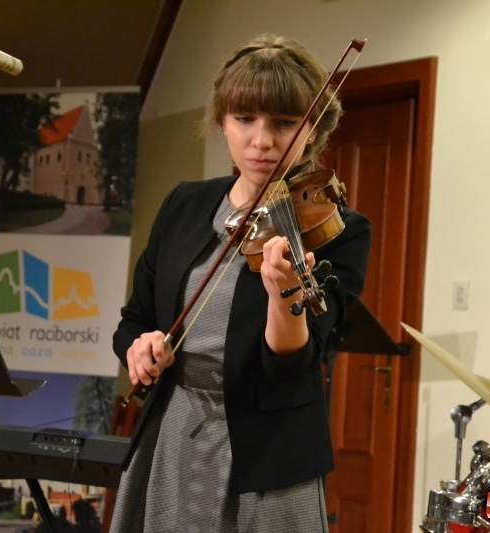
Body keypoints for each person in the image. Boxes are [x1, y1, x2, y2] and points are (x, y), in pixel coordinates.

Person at [109, 33, 371, 533]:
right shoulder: (184, 204)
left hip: (268, 452)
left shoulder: (341, 228)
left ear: (312, 129)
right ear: (222, 122)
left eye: (284, 123)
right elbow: (134, 321)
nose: (262, 140)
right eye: (245, 119)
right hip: (174, 431)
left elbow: (292, 364)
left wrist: (285, 295)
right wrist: (138, 347)